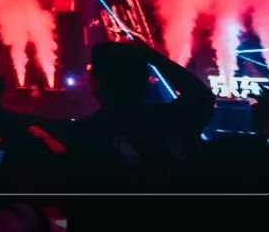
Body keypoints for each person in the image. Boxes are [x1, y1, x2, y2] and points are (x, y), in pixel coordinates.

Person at [65, 40, 216, 229]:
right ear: (146, 80)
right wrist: (153, 57)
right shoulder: (172, 118)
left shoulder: (84, 133)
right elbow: (201, 97)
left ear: (94, 82)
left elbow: (78, 209)